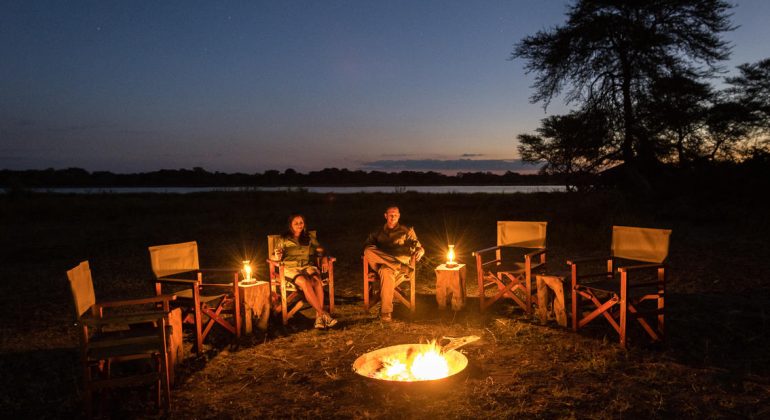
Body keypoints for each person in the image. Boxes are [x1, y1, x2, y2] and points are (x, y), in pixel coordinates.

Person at [274, 214, 337, 329]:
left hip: (306, 266)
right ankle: (324, 314)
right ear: (290, 225)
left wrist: (323, 258)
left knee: (317, 280)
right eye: (296, 223)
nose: (299, 225)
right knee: (305, 282)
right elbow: (275, 256)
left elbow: (320, 248)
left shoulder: (308, 237)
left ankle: (319, 318)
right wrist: (278, 257)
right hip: (290, 268)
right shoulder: (283, 238)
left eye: (301, 222)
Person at [363, 205, 424, 322]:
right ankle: (400, 267)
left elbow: (418, 246)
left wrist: (421, 250)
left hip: (396, 263)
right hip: (388, 265)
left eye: (395, 215)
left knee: (386, 271)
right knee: (367, 250)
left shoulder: (407, 230)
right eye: (390, 215)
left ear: (399, 216)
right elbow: (367, 247)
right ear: (385, 216)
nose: (393, 217)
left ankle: (386, 313)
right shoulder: (377, 231)